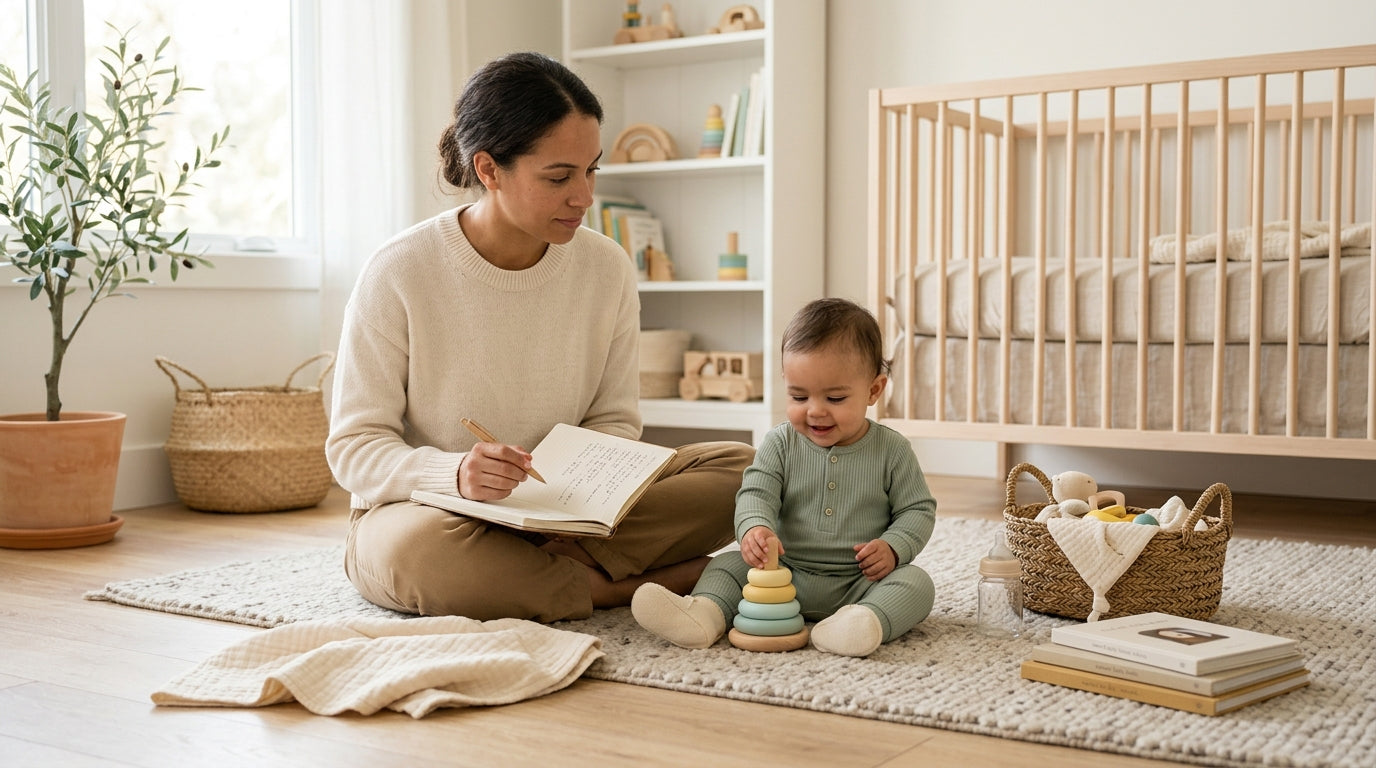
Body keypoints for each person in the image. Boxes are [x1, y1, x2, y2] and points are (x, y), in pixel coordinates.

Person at [326, 51, 753, 623]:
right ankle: (621, 585)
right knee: (416, 556)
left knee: (750, 469)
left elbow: (615, 422)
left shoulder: (607, 268)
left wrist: (579, 497)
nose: (585, 197)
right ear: (488, 169)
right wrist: (454, 475)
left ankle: (556, 571)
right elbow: (354, 450)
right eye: (559, 177)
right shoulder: (399, 271)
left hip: (566, 513)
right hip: (433, 516)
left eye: (591, 170)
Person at [631, 298, 937, 657]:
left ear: (873, 390)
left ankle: (862, 622)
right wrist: (755, 529)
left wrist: (894, 547)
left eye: (835, 398)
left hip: (862, 582)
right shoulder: (780, 442)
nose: (815, 410)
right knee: (728, 566)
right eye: (798, 395)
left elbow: (918, 509)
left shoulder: (892, 449)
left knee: (917, 583)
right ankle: (704, 614)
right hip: (781, 574)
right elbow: (755, 493)